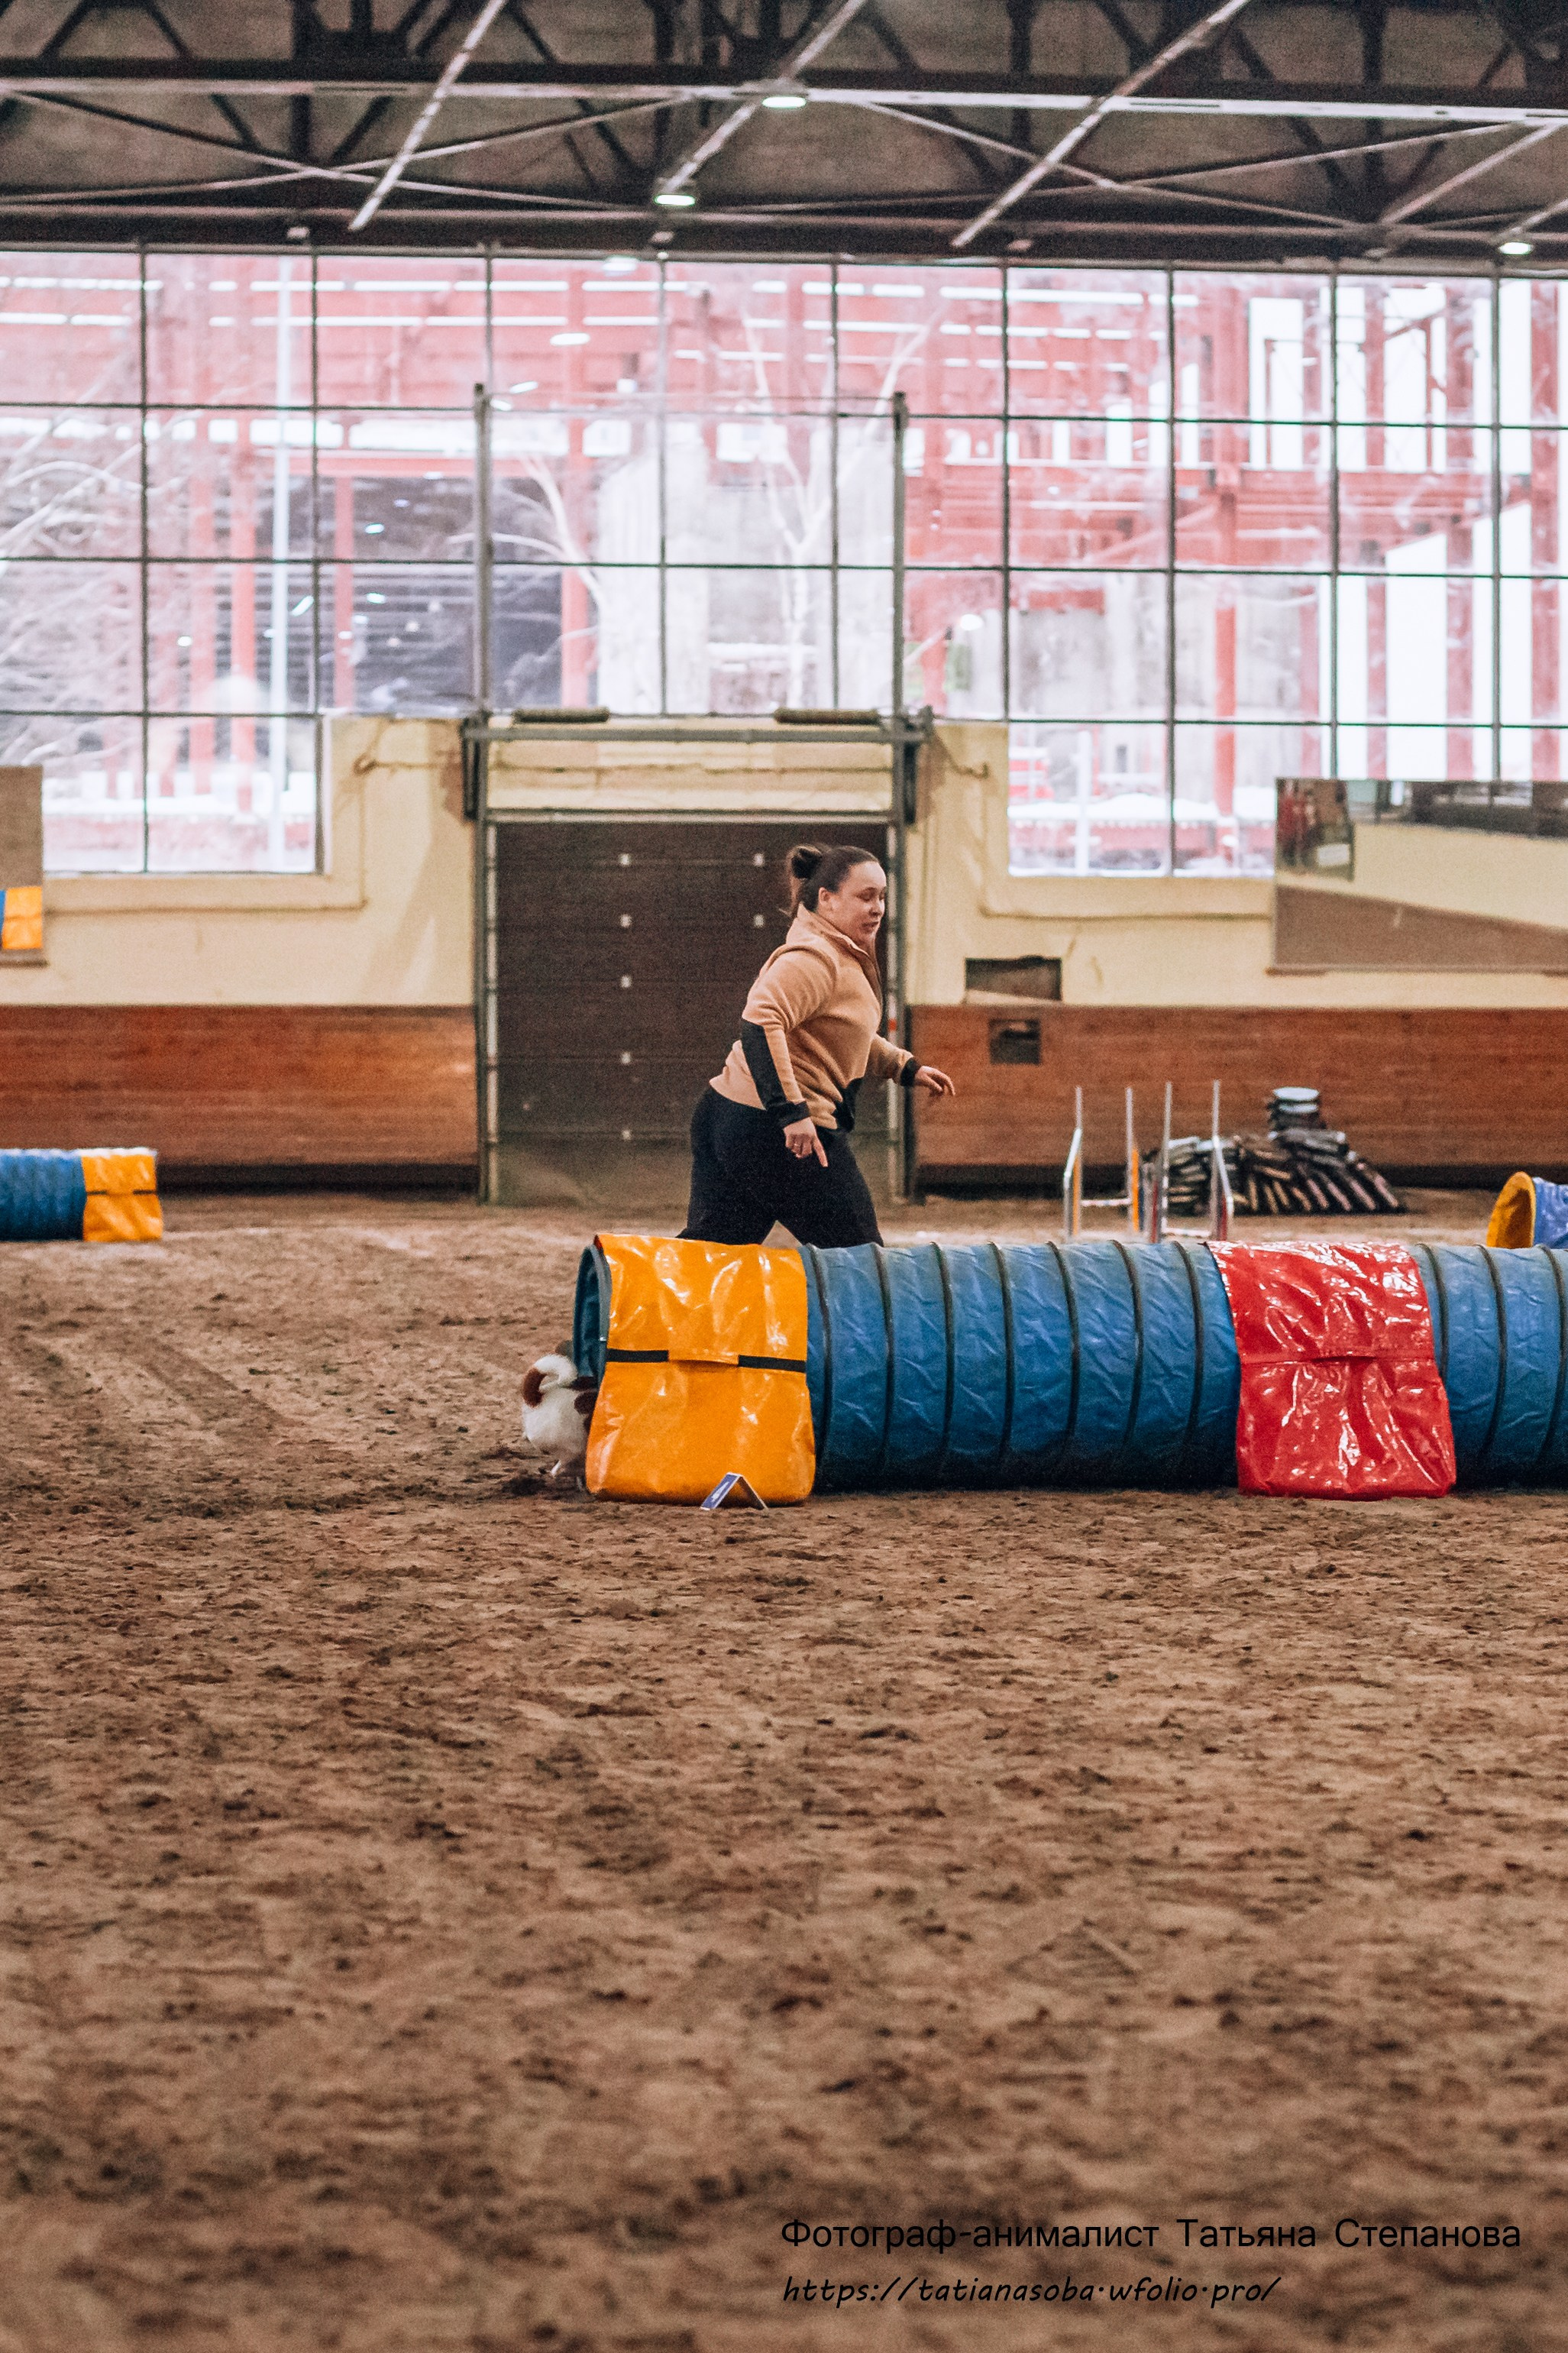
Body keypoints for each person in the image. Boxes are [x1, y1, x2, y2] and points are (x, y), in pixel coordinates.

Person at [681, 842, 956, 1248]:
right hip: (775, 1132)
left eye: (882, 897)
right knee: (860, 1258)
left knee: (714, 1256)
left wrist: (904, 1066)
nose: (878, 909)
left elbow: (843, 1032)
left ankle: (626, 1288)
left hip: (732, 1115)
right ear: (827, 899)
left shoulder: (837, 953)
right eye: (865, 897)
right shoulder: (815, 957)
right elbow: (760, 1021)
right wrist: (791, 1113)